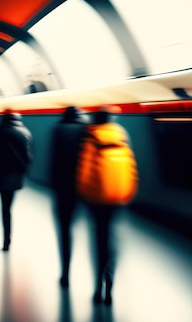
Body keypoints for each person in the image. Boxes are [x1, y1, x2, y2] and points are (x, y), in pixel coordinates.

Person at [78, 106, 136, 305]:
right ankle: (110, 284)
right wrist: (126, 193)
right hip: (118, 198)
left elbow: (85, 170)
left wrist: (85, 193)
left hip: (97, 200)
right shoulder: (122, 137)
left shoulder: (92, 137)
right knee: (112, 241)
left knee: (99, 241)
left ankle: (98, 288)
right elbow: (131, 168)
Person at [49, 106, 88, 287]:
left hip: (62, 189)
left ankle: (65, 272)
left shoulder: (58, 129)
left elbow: (53, 161)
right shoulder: (87, 129)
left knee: (64, 231)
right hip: (82, 188)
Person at [0, 109, 34, 251]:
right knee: (10, 206)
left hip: (2, 175)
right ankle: (9, 238)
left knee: (4, 207)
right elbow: (28, 157)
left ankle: (6, 240)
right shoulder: (24, 132)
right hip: (16, 176)